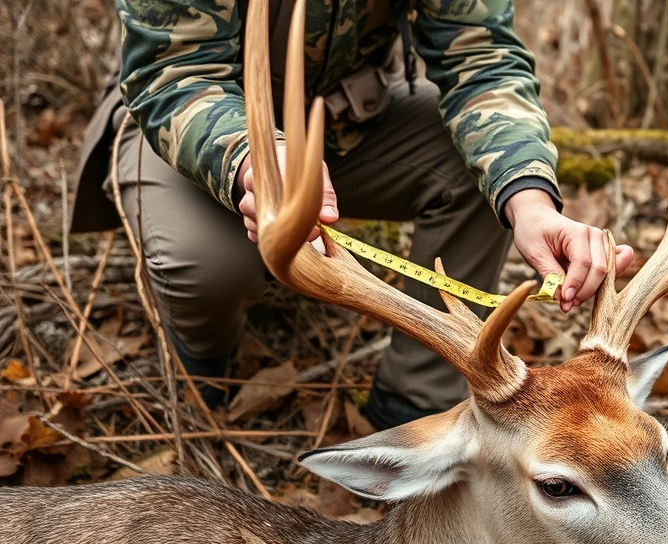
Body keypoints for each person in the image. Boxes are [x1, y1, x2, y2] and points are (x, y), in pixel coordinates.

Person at [72, 0, 633, 430]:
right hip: (192, 126)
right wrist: (257, 157)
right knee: (206, 264)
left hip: (351, 120)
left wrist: (530, 200)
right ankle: (207, 369)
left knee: (489, 174)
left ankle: (413, 409)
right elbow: (174, 71)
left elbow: (481, 56)